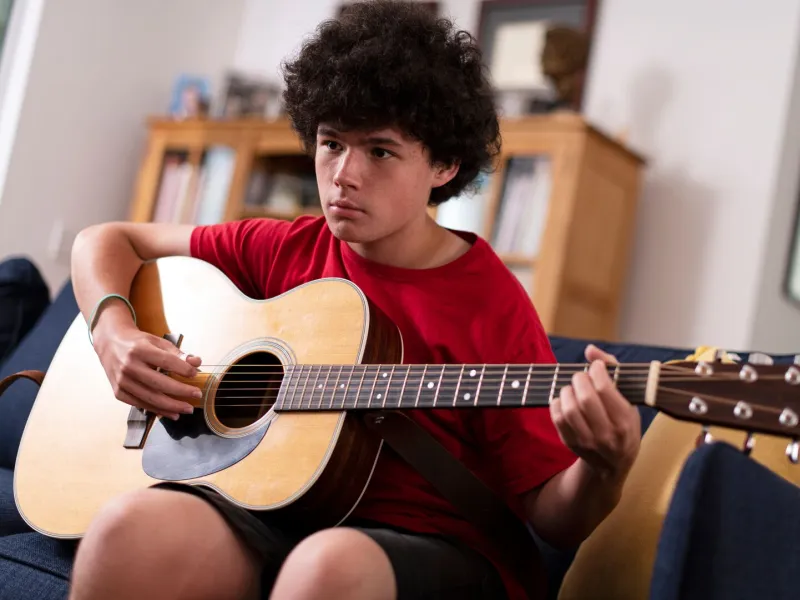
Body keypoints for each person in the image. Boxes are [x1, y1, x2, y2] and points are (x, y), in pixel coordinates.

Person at [66, 2, 641, 599]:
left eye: (380, 151)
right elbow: (107, 240)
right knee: (126, 529)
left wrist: (605, 468)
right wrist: (113, 334)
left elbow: (554, 516)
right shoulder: (284, 246)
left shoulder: (492, 302)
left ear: (443, 164)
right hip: (270, 512)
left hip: (434, 546)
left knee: (327, 567)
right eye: (331, 143)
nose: (343, 174)